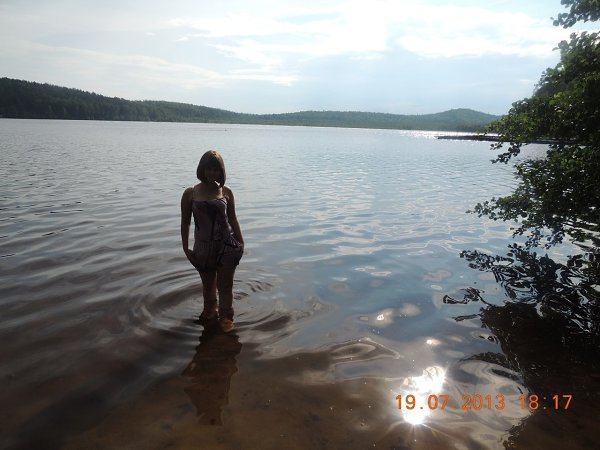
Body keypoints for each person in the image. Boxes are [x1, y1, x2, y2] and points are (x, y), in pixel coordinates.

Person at [181, 150, 244, 332]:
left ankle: (226, 319)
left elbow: (233, 219)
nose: (212, 173)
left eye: (216, 169)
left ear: (221, 171)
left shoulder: (226, 191)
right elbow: (185, 222)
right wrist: (185, 248)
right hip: (203, 248)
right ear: (202, 169)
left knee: (226, 287)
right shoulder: (191, 193)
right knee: (208, 288)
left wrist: (241, 241)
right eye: (208, 168)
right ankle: (209, 318)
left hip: (228, 246)